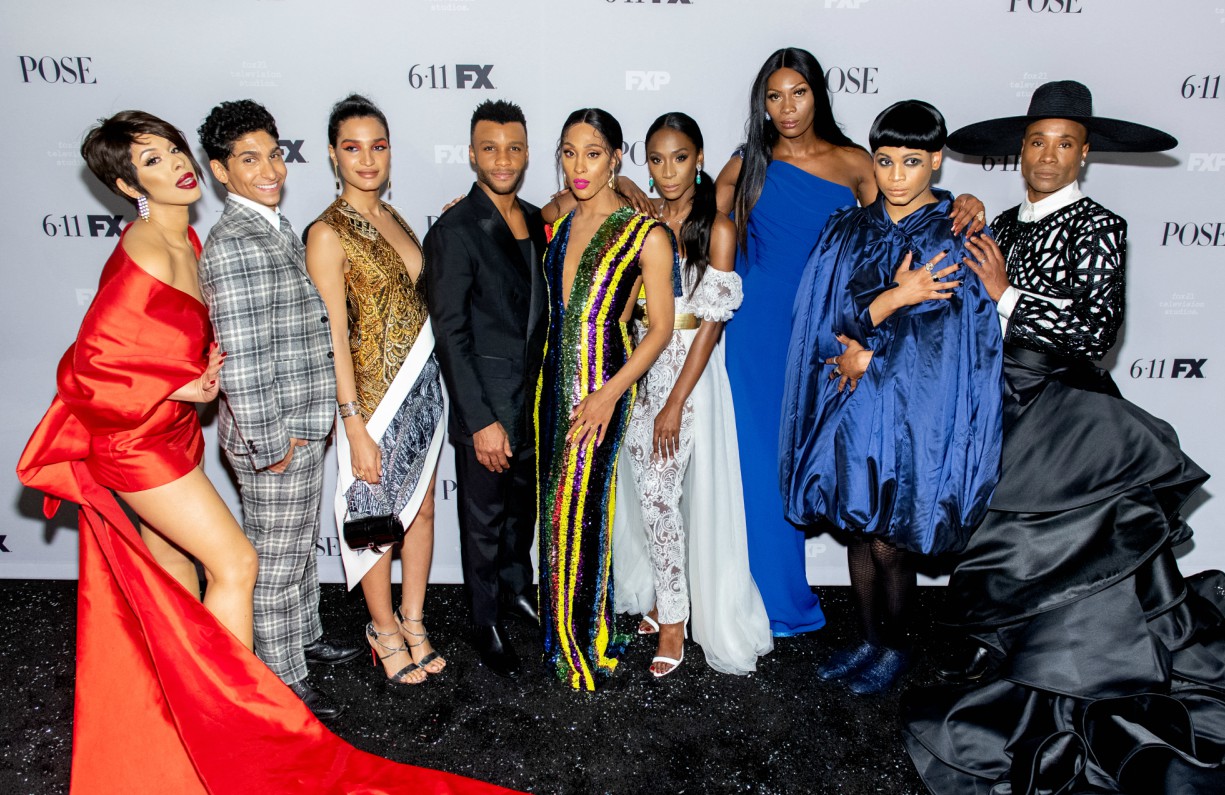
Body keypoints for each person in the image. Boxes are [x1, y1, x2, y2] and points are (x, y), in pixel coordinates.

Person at [16, 111, 508, 795]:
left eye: (173, 151)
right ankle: (272, 689)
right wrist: (263, 436)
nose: (176, 166)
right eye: (153, 161)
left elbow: (186, 334)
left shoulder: (210, 232)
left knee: (245, 562)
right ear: (132, 183)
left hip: (216, 428)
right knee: (256, 563)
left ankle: (266, 658)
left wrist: (186, 378)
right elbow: (107, 359)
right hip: (223, 437)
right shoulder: (201, 243)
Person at [903, 80, 1225, 793]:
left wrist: (1006, 296)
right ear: (1021, 151)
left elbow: (1096, 334)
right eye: (1036, 141)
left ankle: (1081, 683)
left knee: (1067, 550)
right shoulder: (1001, 224)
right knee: (1004, 546)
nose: (1048, 155)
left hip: (1066, 412)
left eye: (1064, 144)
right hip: (999, 406)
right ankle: (1017, 665)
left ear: (1084, 155)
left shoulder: (1098, 225)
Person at [714, 47, 986, 636]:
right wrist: (629, 186)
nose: (787, 107)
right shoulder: (747, 162)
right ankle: (770, 602)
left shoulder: (857, 162)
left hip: (834, 329)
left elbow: (895, 230)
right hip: (759, 329)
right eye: (774, 96)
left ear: (818, 94)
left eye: (799, 92)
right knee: (760, 467)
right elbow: (698, 217)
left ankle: (873, 634)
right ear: (763, 103)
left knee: (829, 463)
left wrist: (961, 202)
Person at [779, 101, 1004, 695]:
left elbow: (950, 347)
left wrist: (872, 354)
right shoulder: (847, 229)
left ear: (936, 161)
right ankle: (868, 638)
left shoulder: (954, 235)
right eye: (884, 161)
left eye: (912, 162)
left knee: (891, 537)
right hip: (852, 405)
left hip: (911, 413)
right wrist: (893, 300)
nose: (897, 176)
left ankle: (896, 648)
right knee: (857, 528)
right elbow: (823, 322)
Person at [198, 99, 359, 720]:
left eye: (273, 155)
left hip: (300, 422)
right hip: (276, 434)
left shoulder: (270, 223)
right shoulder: (234, 244)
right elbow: (241, 361)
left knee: (294, 550)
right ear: (220, 171)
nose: (269, 170)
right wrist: (273, 444)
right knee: (275, 561)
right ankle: (282, 678)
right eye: (249, 160)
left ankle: (303, 638)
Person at [611, 112, 772, 677]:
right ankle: (663, 597)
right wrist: (621, 184)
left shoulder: (718, 228)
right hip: (640, 365)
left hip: (691, 373)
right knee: (651, 497)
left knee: (661, 496)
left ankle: (675, 622)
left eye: (679, 158)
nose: (668, 171)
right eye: (656, 160)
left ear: (699, 159)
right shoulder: (642, 222)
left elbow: (710, 325)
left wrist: (675, 402)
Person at [306, 94, 446, 687]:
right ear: (333, 155)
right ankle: (382, 629)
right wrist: (353, 422)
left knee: (421, 508)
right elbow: (334, 336)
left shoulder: (397, 216)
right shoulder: (327, 233)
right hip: (370, 403)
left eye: (378, 146)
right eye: (353, 147)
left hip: (422, 390)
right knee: (377, 518)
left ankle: (413, 620)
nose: (367, 159)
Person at [537, 108, 676, 691]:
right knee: (557, 509)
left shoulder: (646, 234)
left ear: (617, 157)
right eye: (569, 153)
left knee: (581, 508)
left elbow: (660, 330)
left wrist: (608, 396)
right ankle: (574, 630)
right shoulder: (563, 218)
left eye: (593, 154)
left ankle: (576, 644)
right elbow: (525, 214)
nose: (579, 166)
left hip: (603, 382)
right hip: (550, 382)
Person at [424, 99, 546, 680]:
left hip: (535, 401)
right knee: (484, 524)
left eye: (513, 148)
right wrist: (480, 421)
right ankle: (485, 619)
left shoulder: (538, 220)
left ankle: (519, 591)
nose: (503, 159)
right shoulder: (453, 231)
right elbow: (450, 335)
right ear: (472, 154)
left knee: (522, 515)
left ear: (527, 154)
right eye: (490, 148)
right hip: (489, 409)